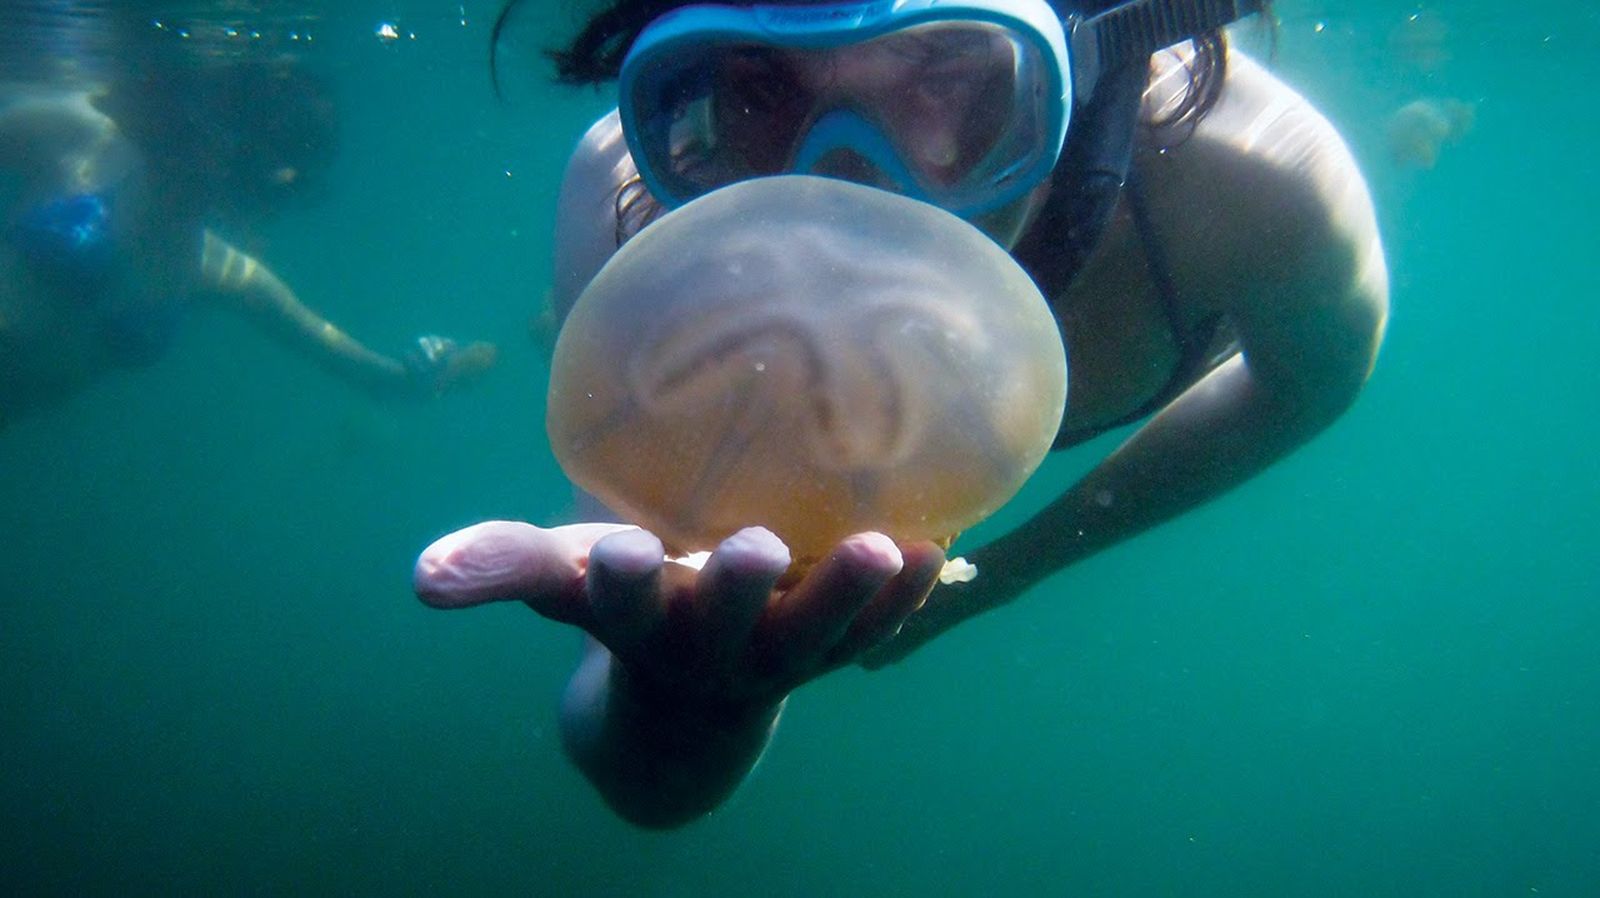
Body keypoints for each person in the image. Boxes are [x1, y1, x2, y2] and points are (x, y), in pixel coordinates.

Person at [415, 0, 1388, 828]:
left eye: (945, 70)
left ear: (1083, 59)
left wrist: (1013, 569)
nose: (853, 181)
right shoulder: (630, 191)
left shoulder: (1250, 179)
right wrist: (688, 704)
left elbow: (1307, 384)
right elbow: (639, 773)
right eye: (759, 86)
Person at [0, 29, 495, 431]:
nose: (207, 179)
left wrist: (428, 368)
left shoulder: (224, 272)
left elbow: (371, 378)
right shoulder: (82, 133)